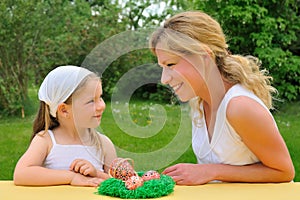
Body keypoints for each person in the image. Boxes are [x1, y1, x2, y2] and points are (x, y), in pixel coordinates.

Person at [149, 11, 295, 185]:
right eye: (162, 67)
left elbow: (284, 171)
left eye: (171, 64)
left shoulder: (239, 106)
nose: (164, 79)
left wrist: (211, 171)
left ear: (204, 56)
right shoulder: (199, 102)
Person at [14, 65, 117, 187]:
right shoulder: (46, 140)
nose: (101, 106)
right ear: (64, 110)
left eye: (100, 97)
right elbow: (21, 174)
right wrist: (72, 177)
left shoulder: (103, 144)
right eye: (91, 101)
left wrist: (96, 173)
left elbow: (118, 185)